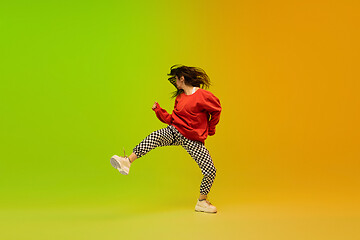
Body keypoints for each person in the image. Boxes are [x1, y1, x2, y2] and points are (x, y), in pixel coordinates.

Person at [110, 64, 222, 213]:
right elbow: (173, 119)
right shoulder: (180, 98)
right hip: (175, 131)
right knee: (155, 136)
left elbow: (216, 110)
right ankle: (127, 161)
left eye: (176, 79)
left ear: (182, 78)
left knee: (210, 170)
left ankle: (202, 201)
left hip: (192, 140)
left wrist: (210, 129)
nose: (175, 83)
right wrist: (158, 110)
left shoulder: (203, 96)